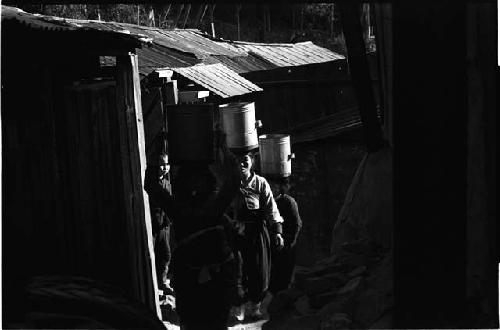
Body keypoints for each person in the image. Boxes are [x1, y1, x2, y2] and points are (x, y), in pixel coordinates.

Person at [145, 158, 241, 330]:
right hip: (203, 286)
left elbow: (150, 185)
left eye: (198, 178)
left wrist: (156, 153)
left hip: (198, 286)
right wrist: (225, 151)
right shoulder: (210, 208)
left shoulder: (183, 209)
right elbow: (234, 180)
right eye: (191, 179)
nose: (195, 184)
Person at [230, 152, 284, 321]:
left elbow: (271, 209)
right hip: (236, 234)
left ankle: (255, 307)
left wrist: (277, 232)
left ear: (252, 161)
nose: (241, 164)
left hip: (257, 234)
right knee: (237, 270)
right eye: (238, 160)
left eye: (245, 160)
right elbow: (221, 209)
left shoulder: (260, 183)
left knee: (259, 271)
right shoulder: (230, 184)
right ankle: (238, 307)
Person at [268, 176, 303, 295]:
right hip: (269, 250)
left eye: (274, 186)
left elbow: (296, 225)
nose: (271, 188)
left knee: (282, 281)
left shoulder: (288, 202)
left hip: (285, 250)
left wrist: (287, 243)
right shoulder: (264, 203)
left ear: (280, 187)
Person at [145, 152, 172, 293]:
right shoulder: (151, 184)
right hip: (154, 225)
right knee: (152, 254)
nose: (165, 167)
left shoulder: (167, 183)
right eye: (162, 164)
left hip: (164, 226)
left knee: (166, 254)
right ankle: (153, 283)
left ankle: (162, 282)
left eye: (167, 164)